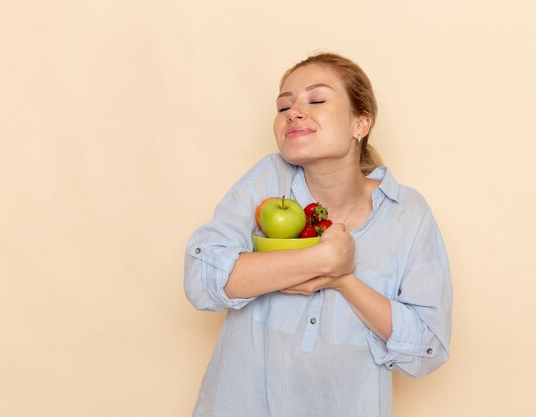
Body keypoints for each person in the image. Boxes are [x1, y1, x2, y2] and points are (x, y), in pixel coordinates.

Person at [184, 52, 452, 417]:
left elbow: (427, 347)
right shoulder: (269, 179)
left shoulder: (407, 212)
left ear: (361, 123)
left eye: (317, 99)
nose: (293, 112)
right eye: (283, 107)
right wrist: (320, 259)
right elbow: (202, 278)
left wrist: (343, 279)